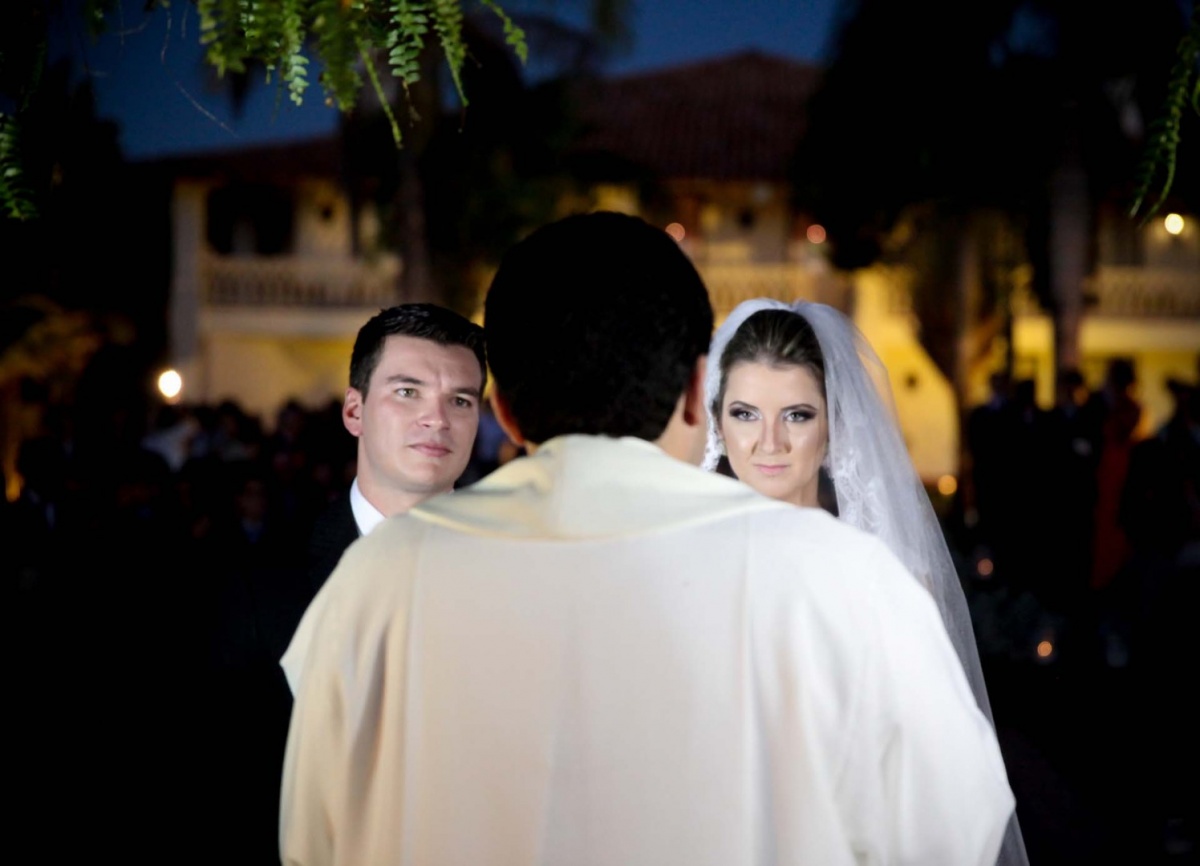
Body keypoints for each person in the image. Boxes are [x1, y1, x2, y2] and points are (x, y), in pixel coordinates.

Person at [280, 211, 1015, 866]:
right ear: (701, 390)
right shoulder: (844, 582)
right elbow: (955, 827)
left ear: (501, 407)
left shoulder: (374, 584)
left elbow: (315, 841)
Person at [702, 298, 1028, 866]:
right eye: (746, 413)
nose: (769, 442)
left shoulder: (885, 579)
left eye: (797, 415)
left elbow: (950, 783)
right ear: (716, 421)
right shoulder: (687, 571)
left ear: (833, 426)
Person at [304, 301, 488, 594]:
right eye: (408, 392)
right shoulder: (260, 579)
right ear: (354, 412)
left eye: (460, 401)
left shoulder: (518, 572)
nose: (437, 420)